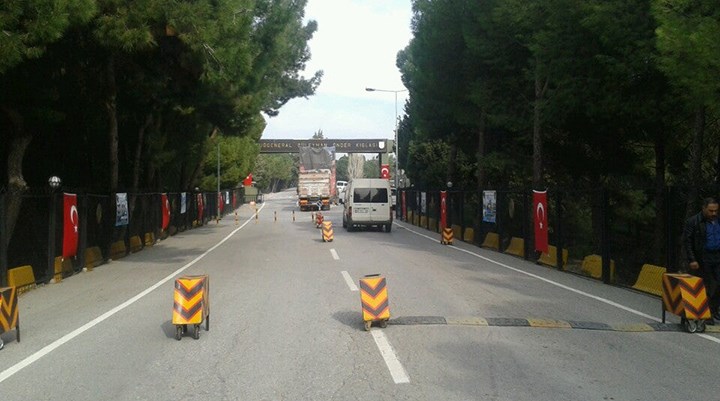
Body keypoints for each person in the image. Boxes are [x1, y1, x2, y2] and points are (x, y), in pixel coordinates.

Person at [683, 197, 720, 322]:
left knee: (718, 284)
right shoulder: (694, 221)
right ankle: (706, 313)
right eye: (711, 211)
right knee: (709, 286)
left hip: (717, 255)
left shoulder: (718, 220)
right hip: (704, 257)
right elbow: (687, 241)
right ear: (704, 208)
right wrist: (692, 259)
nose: (713, 213)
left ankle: (714, 310)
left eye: (715, 211)